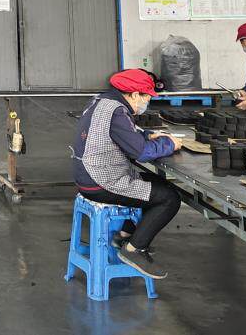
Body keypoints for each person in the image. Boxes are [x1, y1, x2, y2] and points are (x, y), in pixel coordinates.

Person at [72, 68, 182, 279]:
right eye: (147, 96)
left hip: (88, 175)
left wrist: (148, 135)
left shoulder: (102, 101)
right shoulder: (117, 112)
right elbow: (141, 152)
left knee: (158, 184)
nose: (148, 101)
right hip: (101, 182)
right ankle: (134, 249)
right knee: (170, 198)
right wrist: (169, 144)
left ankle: (123, 236)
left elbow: (126, 133)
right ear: (134, 94)